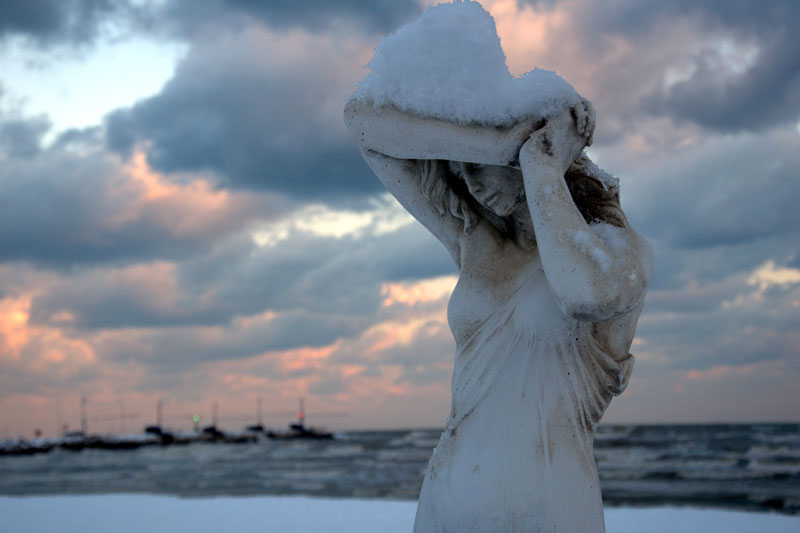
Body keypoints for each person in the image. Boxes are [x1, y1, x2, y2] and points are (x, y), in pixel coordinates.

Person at [345, 97, 652, 532]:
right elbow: (361, 124)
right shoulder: (475, 241)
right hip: (443, 504)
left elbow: (582, 294)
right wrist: (494, 142)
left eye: (481, 163)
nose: (470, 180)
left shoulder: (619, 251)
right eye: (463, 164)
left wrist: (541, 161)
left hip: (546, 510)